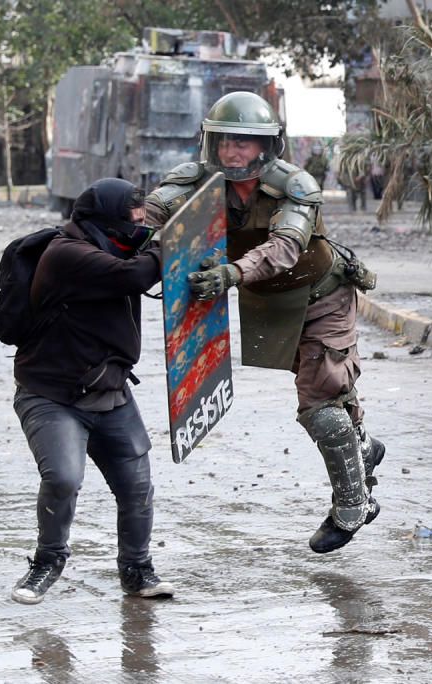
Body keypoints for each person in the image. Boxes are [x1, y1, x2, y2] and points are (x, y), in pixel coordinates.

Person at [145, 91, 384, 554]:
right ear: (211, 143)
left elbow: (285, 248)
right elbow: (149, 215)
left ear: (265, 146)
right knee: (329, 394)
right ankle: (364, 448)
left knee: (320, 405)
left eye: (244, 143)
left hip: (321, 298)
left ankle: (353, 507)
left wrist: (231, 273)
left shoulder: (295, 184)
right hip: (266, 300)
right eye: (225, 142)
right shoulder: (195, 179)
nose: (233, 152)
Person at [10, 178, 172, 604]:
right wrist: (171, 243)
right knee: (64, 477)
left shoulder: (114, 244)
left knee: (137, 486)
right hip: (52, 396)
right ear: (105, 221)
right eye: (133, 222)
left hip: (111, 391)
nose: (139, 230)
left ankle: (137, 571)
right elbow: (135, 275)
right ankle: (47, 563)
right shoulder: (67, 254)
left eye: (143, 223)